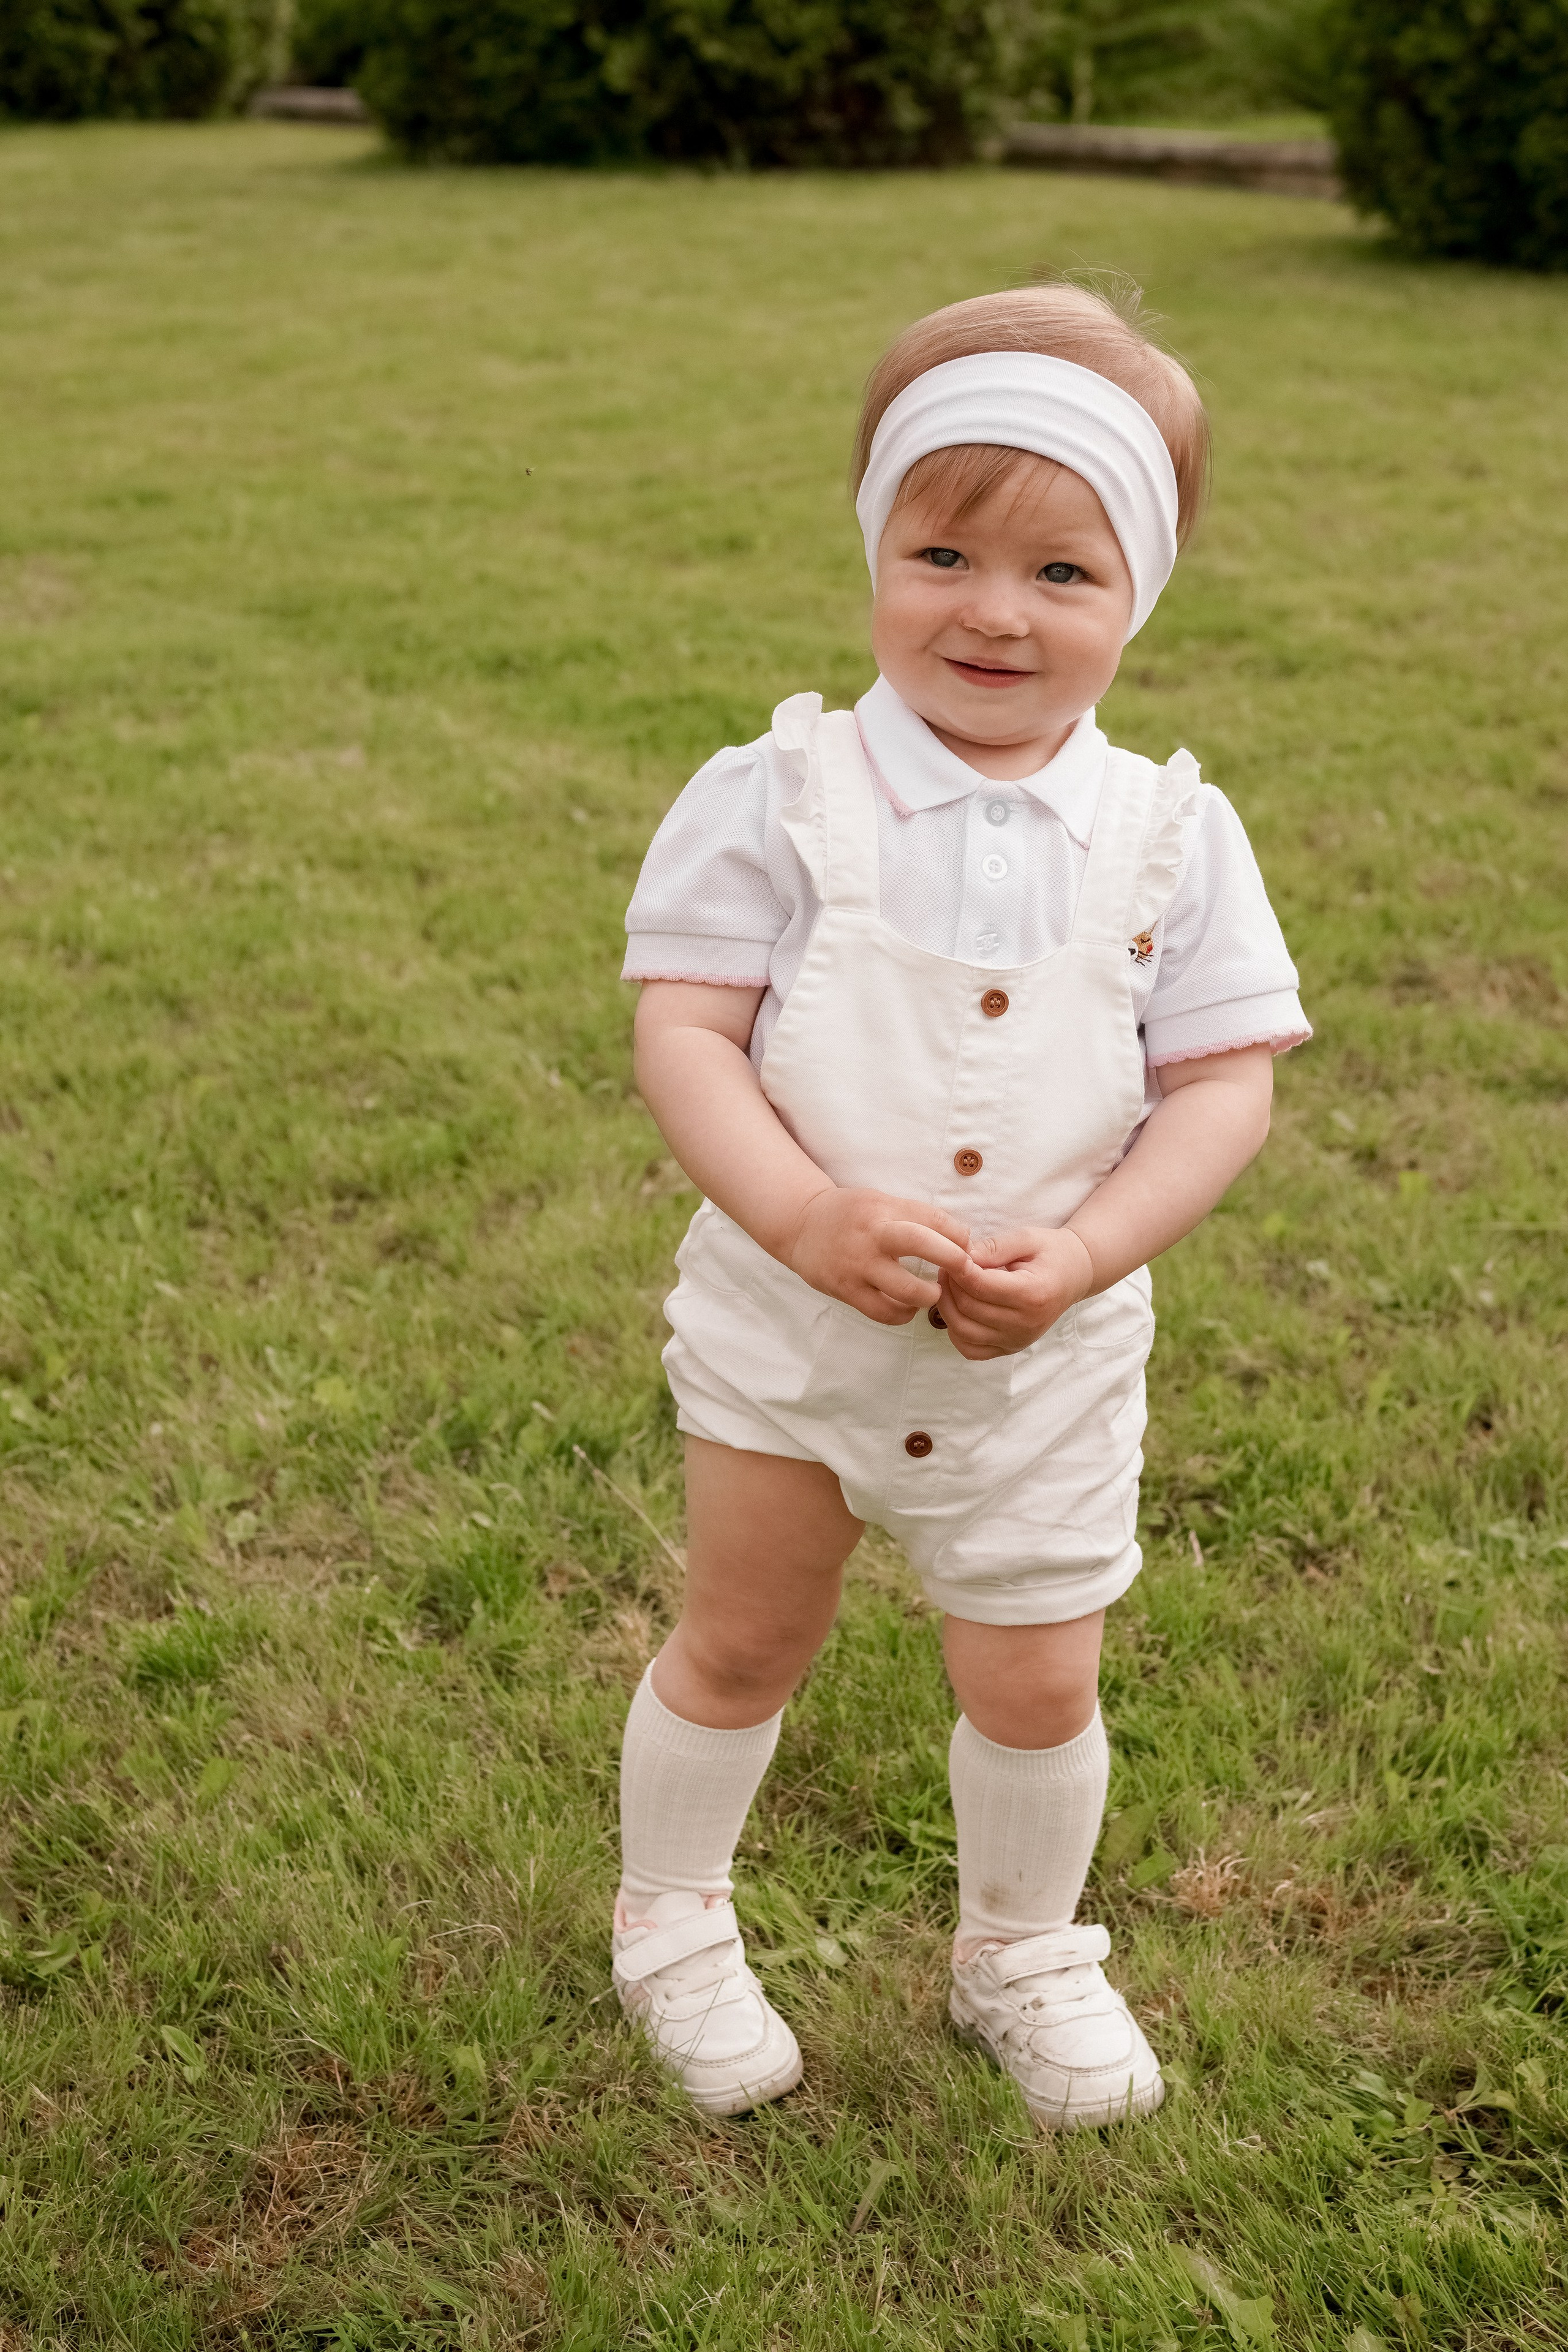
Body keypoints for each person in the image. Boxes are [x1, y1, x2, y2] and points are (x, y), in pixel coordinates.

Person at [612, 283, 1309, 2132]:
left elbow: (1223, 1085)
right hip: (789, 1342)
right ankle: (672, 1919)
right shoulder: (778, 795)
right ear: (874, 548)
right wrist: (801, 1215)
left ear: (1139, 596)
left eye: (1063, 573)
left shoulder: (1174, 835)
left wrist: (1082, 1254)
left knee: (1038, 1679)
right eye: (943, 554)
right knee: (744, 1636)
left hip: (1043, 1367)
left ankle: (1021, 1947)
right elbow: (686, 1034)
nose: (994, 611)